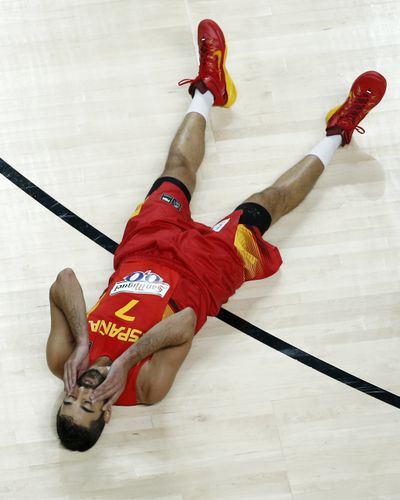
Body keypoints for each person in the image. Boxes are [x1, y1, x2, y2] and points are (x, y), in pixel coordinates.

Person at [46, 19, 387, 452]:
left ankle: (208, 88)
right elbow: (185, 321)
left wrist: (81, 342)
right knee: (267, 202)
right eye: (90, 404)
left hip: (142, 252)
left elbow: (65, 281)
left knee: (177, 169)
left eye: (71, 399)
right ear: (107, 412)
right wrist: (128, 359)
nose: (84, 392)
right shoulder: (148, 389)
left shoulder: (64, 363)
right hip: (204, 272)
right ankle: (340, 131)